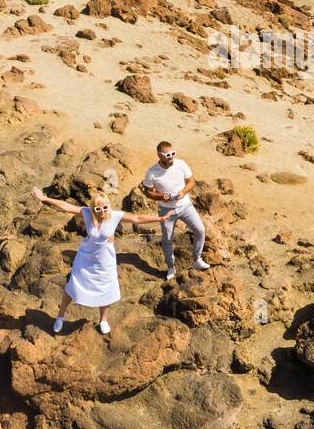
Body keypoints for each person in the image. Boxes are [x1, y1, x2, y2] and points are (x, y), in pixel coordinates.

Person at [31, 188, 169, 335]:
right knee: (72, 287)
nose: (102, 210)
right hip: (86, 257)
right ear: (93, 208)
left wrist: (159, 219)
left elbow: (137, 218)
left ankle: (103, 320)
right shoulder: (87, 213)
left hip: (105, 260)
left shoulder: (114, 215)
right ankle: (60, 317)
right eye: (98, 208)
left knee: (105, 288)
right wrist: (44, 198)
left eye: (105, 207)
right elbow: (66, 206)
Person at [141, 141, 210, 280]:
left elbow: (191, 181)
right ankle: (171, 267)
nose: (171, 157)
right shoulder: (152, 172)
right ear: (159, 155)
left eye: (173, 153)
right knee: (167, 240)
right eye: (167, 155)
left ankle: (197, 259)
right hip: (166, 211)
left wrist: (183, 192)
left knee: (200, 230)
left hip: (185, 206)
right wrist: (162, 196)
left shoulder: (181, 164)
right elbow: (148, 192)